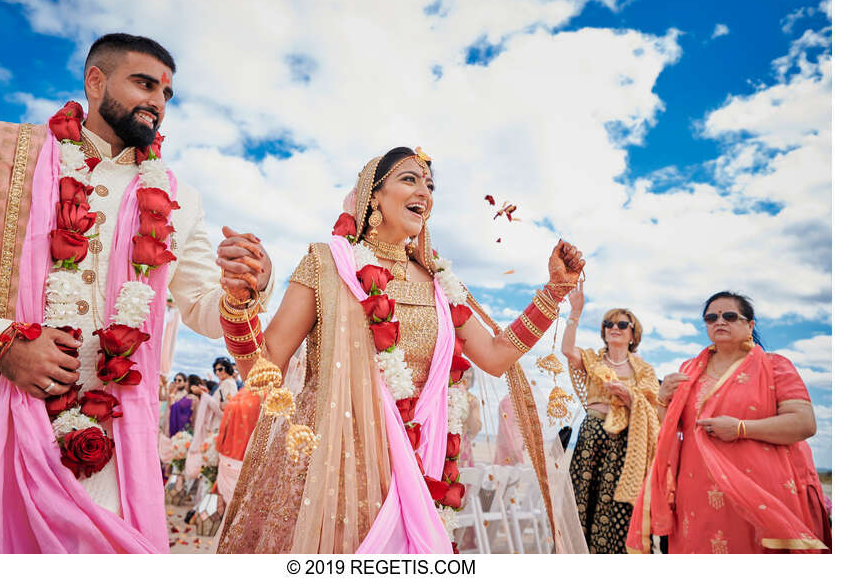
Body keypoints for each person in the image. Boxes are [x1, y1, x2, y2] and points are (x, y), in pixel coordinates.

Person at [0, 33, 274, 554]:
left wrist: (243, 289)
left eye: (167, 94)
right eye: (144, 83)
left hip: (115, 449)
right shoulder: (5, 154)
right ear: (95, 81)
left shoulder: (180, 198)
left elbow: (202, 303)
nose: (158, 102)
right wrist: (1, 342)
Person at [216, 147, 585, 553]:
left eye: (430, 185)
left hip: (415, 473)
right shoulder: (326, 264)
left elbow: (496, 356)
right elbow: (263, 365)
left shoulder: (439, 283)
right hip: (332, 474)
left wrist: (554, 292)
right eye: (409, 179)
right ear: (372, 195)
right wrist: (238, 303)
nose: (424, 192)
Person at [627, 292, 830, 554]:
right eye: (711, 317)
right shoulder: (689, 370)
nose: (719, 321)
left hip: (758, 491)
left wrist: (741, 429)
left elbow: (804, 423)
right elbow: (676, 429)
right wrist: (663, 400)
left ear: (750, 325)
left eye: (729, 316)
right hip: (696, 491)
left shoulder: (774, 366)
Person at [561, 281, 660, 553]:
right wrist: (576, 311)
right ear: (603, 332)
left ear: (633, 333)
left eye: (622, 324)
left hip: (627, 441)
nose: (614, 328)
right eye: (608, 324)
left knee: (616, 503)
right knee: (583, 496)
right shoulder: (593, 359)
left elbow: (653, 408)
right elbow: (568, 350)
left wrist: (629, 396)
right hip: (592, 435)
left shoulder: (645, 370)